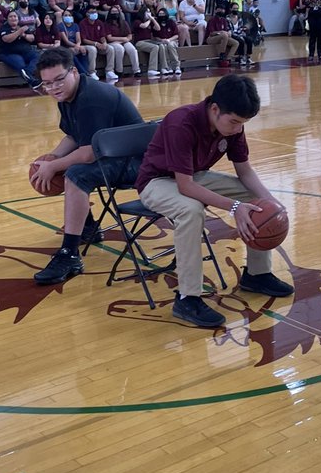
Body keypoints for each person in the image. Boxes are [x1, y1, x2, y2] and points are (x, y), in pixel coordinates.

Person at [136, 75, 293, 328]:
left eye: (243, 123)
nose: (238, 129)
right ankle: (187, 298)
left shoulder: (233, 124)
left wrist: (271, 201)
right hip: (156, 182)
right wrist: (233, 207)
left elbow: (245, 171)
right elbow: (185, 186)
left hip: (194, 175)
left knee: (255, 200)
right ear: (215, 109)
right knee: (190, 210)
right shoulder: (181, 122)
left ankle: (257, 274)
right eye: (234, 122)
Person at [31, 48, 144, 286]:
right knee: (63, 166)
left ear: (73, 71)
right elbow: (74, 137)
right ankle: (89, 227)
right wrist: (51, 158)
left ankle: (70, 255)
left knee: (75, 174)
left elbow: (89, 153)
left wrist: (54, 167)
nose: (53, 88)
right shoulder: (67, 95)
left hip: (137, 162)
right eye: (47, 84)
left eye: (59, 80)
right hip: (115, 156)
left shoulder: (91, 100)